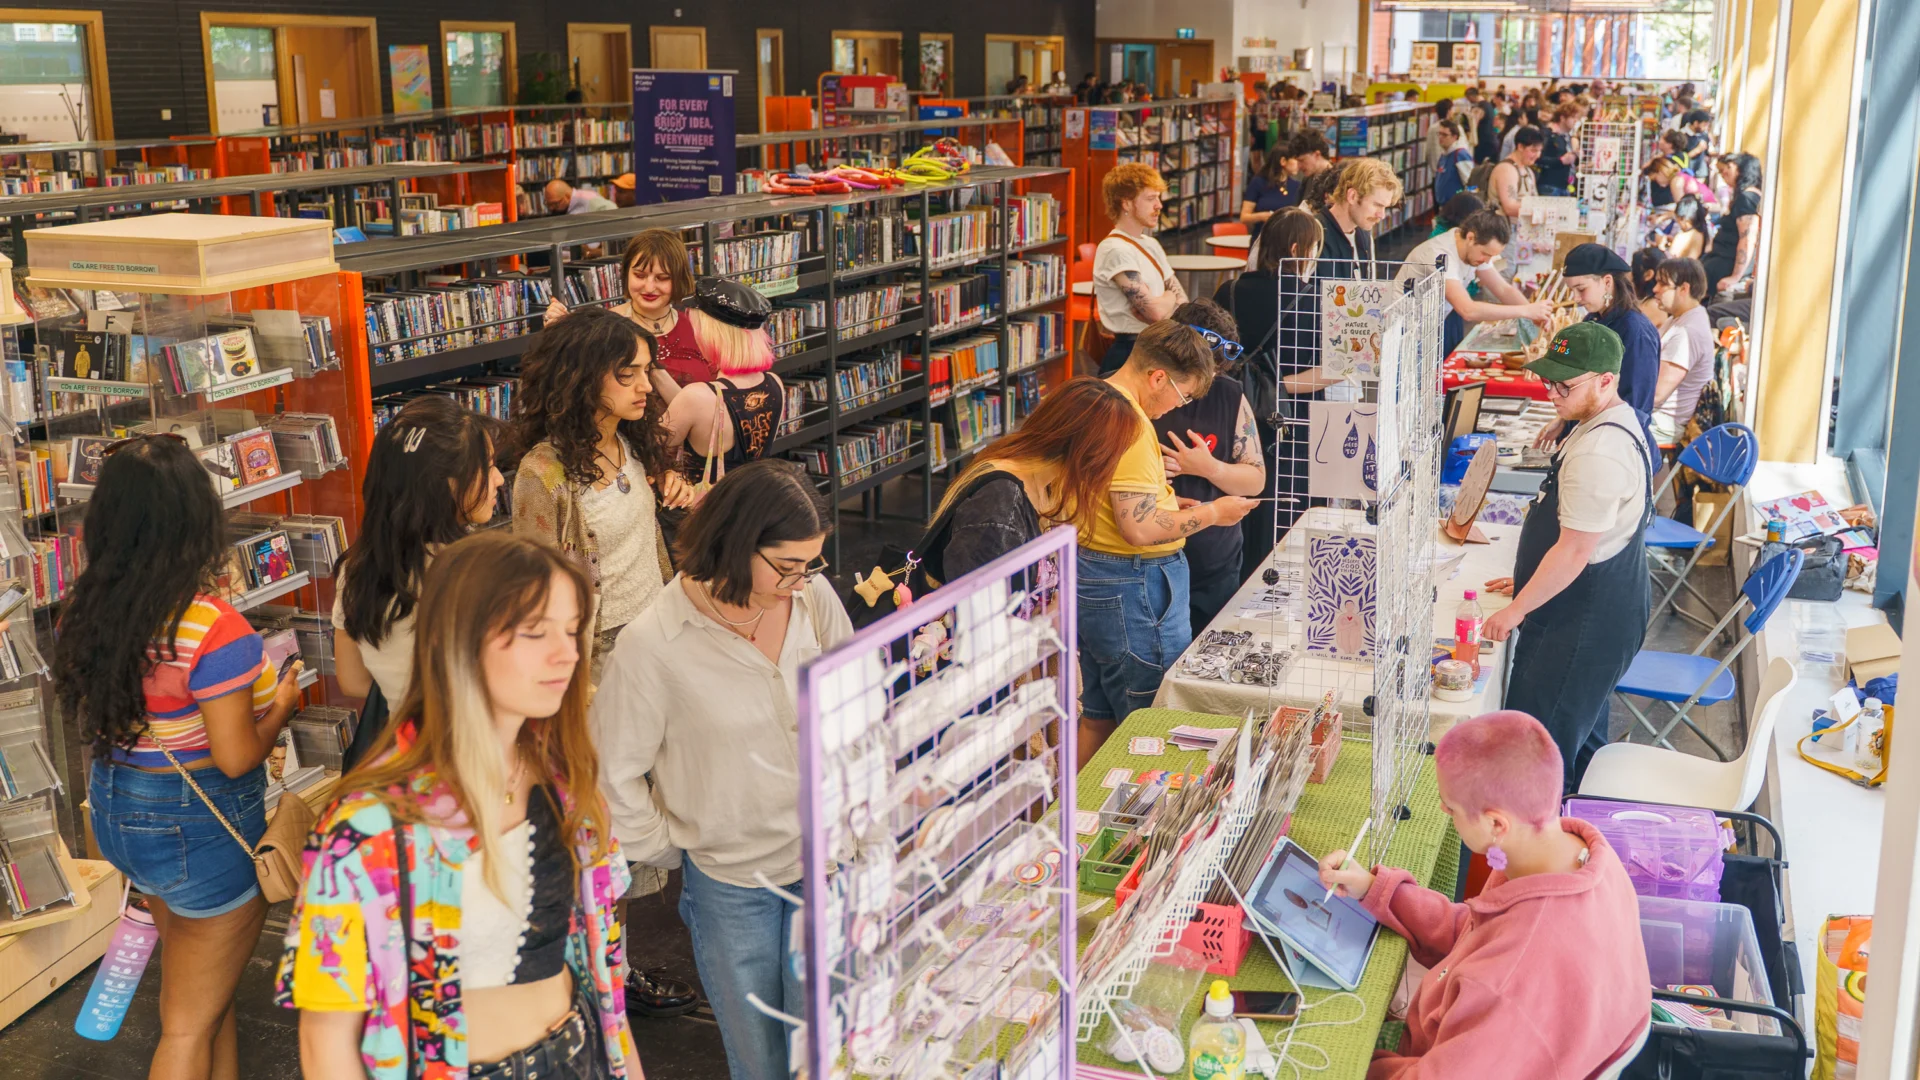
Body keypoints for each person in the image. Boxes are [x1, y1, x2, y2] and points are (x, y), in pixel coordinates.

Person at [281, 533, 642, 1080]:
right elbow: (326, 1037)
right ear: (461, 640)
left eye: (571, 631)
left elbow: (604, 966)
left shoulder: (568, 787)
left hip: (579, 1054)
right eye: (535, 632)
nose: (566, 653)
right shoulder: (368, 827)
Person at [593, 460, 853, 1080]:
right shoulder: (654, 643)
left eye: (811, 564)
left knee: (827, 1059)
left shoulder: (810, 598)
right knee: (761, 1061)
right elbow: (614, 771)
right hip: (735, 887)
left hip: (831, 863)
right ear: (736, 543)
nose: (801, 580)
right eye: (787, 565)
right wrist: (672, 846)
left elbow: (855, 693)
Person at [59, 434, 304, 1080]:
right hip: (198, 832)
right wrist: (281, 706)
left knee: (205, 995)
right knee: (188, 1023)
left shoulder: (89, 614)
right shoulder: (214, 628)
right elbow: (235, 757)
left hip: (121, 818)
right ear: (197, 522)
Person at [1318, 710, 1651, 1077]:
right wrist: (1375, 888)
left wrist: (1354, 1063)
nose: (1443, 810)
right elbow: (1477, 933)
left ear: (1496, 824)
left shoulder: (1508, 980)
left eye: (1452, 807)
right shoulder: (1574, 856)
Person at [1482, 323, 1654, 789]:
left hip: (1584, 620)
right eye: (1549, 380)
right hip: (1585, 604)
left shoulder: (1601, 452)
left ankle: (1541, 849)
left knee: (1537, 750)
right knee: (1573, 739)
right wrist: (1528, 580)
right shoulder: (1605, 419)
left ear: (1606, 380)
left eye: (1565, 385)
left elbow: (1575, 551)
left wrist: (1518, 609)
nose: (1552, 393)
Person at [1079, 321, 1259, 762]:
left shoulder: (1095, 399)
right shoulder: (1132, 425)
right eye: (1182, 396)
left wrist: (1165, 500)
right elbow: (1138, 528)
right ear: (1157, 377)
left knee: (1098, 713)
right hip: (1135, 589)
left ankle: (1071, 818)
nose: (1176, 408)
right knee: (1153, 724)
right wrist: (1213, 513)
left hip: (1096, 578)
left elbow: (1114, 499)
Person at [510, 305, 691, 678]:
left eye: (646, 370)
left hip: (657, 623)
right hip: (600, 651)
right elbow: (535, 588)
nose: (645, 386)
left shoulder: (630, 439)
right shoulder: (543, 472)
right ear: (583, 379)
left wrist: (672, 482)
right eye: (627, 374)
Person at [334, 397, 503, 717]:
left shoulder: (356, 571)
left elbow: (353, 681)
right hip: (477, 752)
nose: (499, 479)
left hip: (405, 750)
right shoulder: (479, 573)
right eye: (488, 466)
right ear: (446, 482)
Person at [915, 377, 1140, 590]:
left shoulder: (1043, 480)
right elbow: (981, 609)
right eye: (1115, 453)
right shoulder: (1000, 498)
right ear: (1089, 452)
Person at [1221, 208, 1340, 572]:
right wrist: (1280, 386)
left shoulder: (1230, 291)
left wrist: (1256, 384)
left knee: (1244, 495)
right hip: (1297, 417)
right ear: (1296, 248)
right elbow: (1335, 369)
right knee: (1291, 503)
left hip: (1238, 410)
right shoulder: (1318, 299)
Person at [1155, 300, 1267, 629]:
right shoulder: (1138, 394)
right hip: (1147, 567)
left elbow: (1256, 480)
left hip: (1215, 570)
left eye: (1215, 372)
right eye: (1202, 371)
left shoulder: (1230, 396)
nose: (1206, 383)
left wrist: (1207, 467)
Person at [547, 229, 712, 390]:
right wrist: (561, 339)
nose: (649, 287)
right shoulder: (603, 327)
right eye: (640, 276)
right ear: (626, 274)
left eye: (662, 278)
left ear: (679, 279)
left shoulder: (699, 323)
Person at [1533, 244, 1659, 454]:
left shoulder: (1636, 332)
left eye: (1581, 289)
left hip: (1617, 450)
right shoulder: (1593, 319)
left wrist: (1583, 438)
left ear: (1607, 282)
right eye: (1571, 290)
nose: (1575, 298)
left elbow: (1636, 406)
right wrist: (1564, 421)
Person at [659, 278, 785, 483]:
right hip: (757, 499)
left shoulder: (698, 397)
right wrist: (656, 373)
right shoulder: (774, 384)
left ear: (711, 334)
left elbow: (651, 445)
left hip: (710, 508)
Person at [1398, 211, 1553, 357]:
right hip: (1403, 331)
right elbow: (1468, 310)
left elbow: (1503, 289)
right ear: (1471, 237)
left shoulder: (1471, 248)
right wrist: (1525, 311)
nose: (1486, 261)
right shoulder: (1441, 255)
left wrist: (1535, 315)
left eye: (1491, 256)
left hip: (1426, 328)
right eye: (1485, 254)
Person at [1093, 163, 1185, 374]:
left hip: (1157, 348)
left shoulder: (1150, 244)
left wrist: (1164, 302)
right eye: (1150, 199)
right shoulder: (1115, 249)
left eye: (1158, 198)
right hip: (1130, 355)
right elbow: (1155, 312)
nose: (1159, 205)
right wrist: (1169, 297)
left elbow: (1183, 304)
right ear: (1126, 203)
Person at [1649, 257, 1716, 449]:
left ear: (1683, 289)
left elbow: (1656, 395)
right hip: (1658, 416)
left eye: (1663, 284)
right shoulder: (1680, 319)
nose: (1655, 289)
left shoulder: (1687, 332)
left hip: (1664, 423)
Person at [1316, 157, 1401, 282]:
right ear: (1352, 196)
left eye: (1385, 207)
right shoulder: (1313, 235)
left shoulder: (1365, 236)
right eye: (1377, 205)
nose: (1382, 215)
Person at [1702, 152, 1763, 298]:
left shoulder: (1747, 198)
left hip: (1725, 264)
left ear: (1742, 169)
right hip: (1722, 259)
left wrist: (1735, 277)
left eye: (1729, 168)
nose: (1725, 173)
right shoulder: (1748, 196)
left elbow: (1747, 239)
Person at [1240, 148, 1299, 238]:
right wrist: (1262, 216)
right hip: (1262, 238)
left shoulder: (1297, 186)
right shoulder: (1258, 182)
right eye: (1296, 159)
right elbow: (1244, 217)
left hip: (1287, 240)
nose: (1299, 164)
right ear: (1283, 161)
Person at [1489, 127, 1543, 227]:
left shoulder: (1528, 170)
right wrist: (1541, 210)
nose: (1537, 155)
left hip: (1521, 231)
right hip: (1504, 231)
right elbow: (1509, 207)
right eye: (1533, 150)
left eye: (1539, 151)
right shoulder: (1506, 169)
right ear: (1520, 147)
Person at [1536, 101, 1582, 196]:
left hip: (1563, 186)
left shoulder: (1566, 137)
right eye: (1573, 117)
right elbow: (1538, 158)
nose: (1575, 121)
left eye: (1577, 118)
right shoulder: (1548, 134)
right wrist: (1560, 161)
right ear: (1562, 118)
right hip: (1549, 186)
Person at [1433, 119, 1474, 205]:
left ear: (1454, 137)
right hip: (1446, 207)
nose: (1440, 137)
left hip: (1456, 209)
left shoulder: (1460, 155)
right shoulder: (1444, 154)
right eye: (1439, 134)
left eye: (1444, 135)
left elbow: (1471, 184)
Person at [1664, 194, 1710, 261]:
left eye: (1678, 219)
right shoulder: (1700, 231)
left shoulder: (1688, 235)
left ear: (1683, 219)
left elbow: (1672, 257)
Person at [543, 178, 616, 216]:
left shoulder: (589, 200)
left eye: (555, 204)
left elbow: (612, 208)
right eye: (548, 204)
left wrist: (600, 244)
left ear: (567, 197)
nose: (551, 208)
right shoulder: (562, 209)